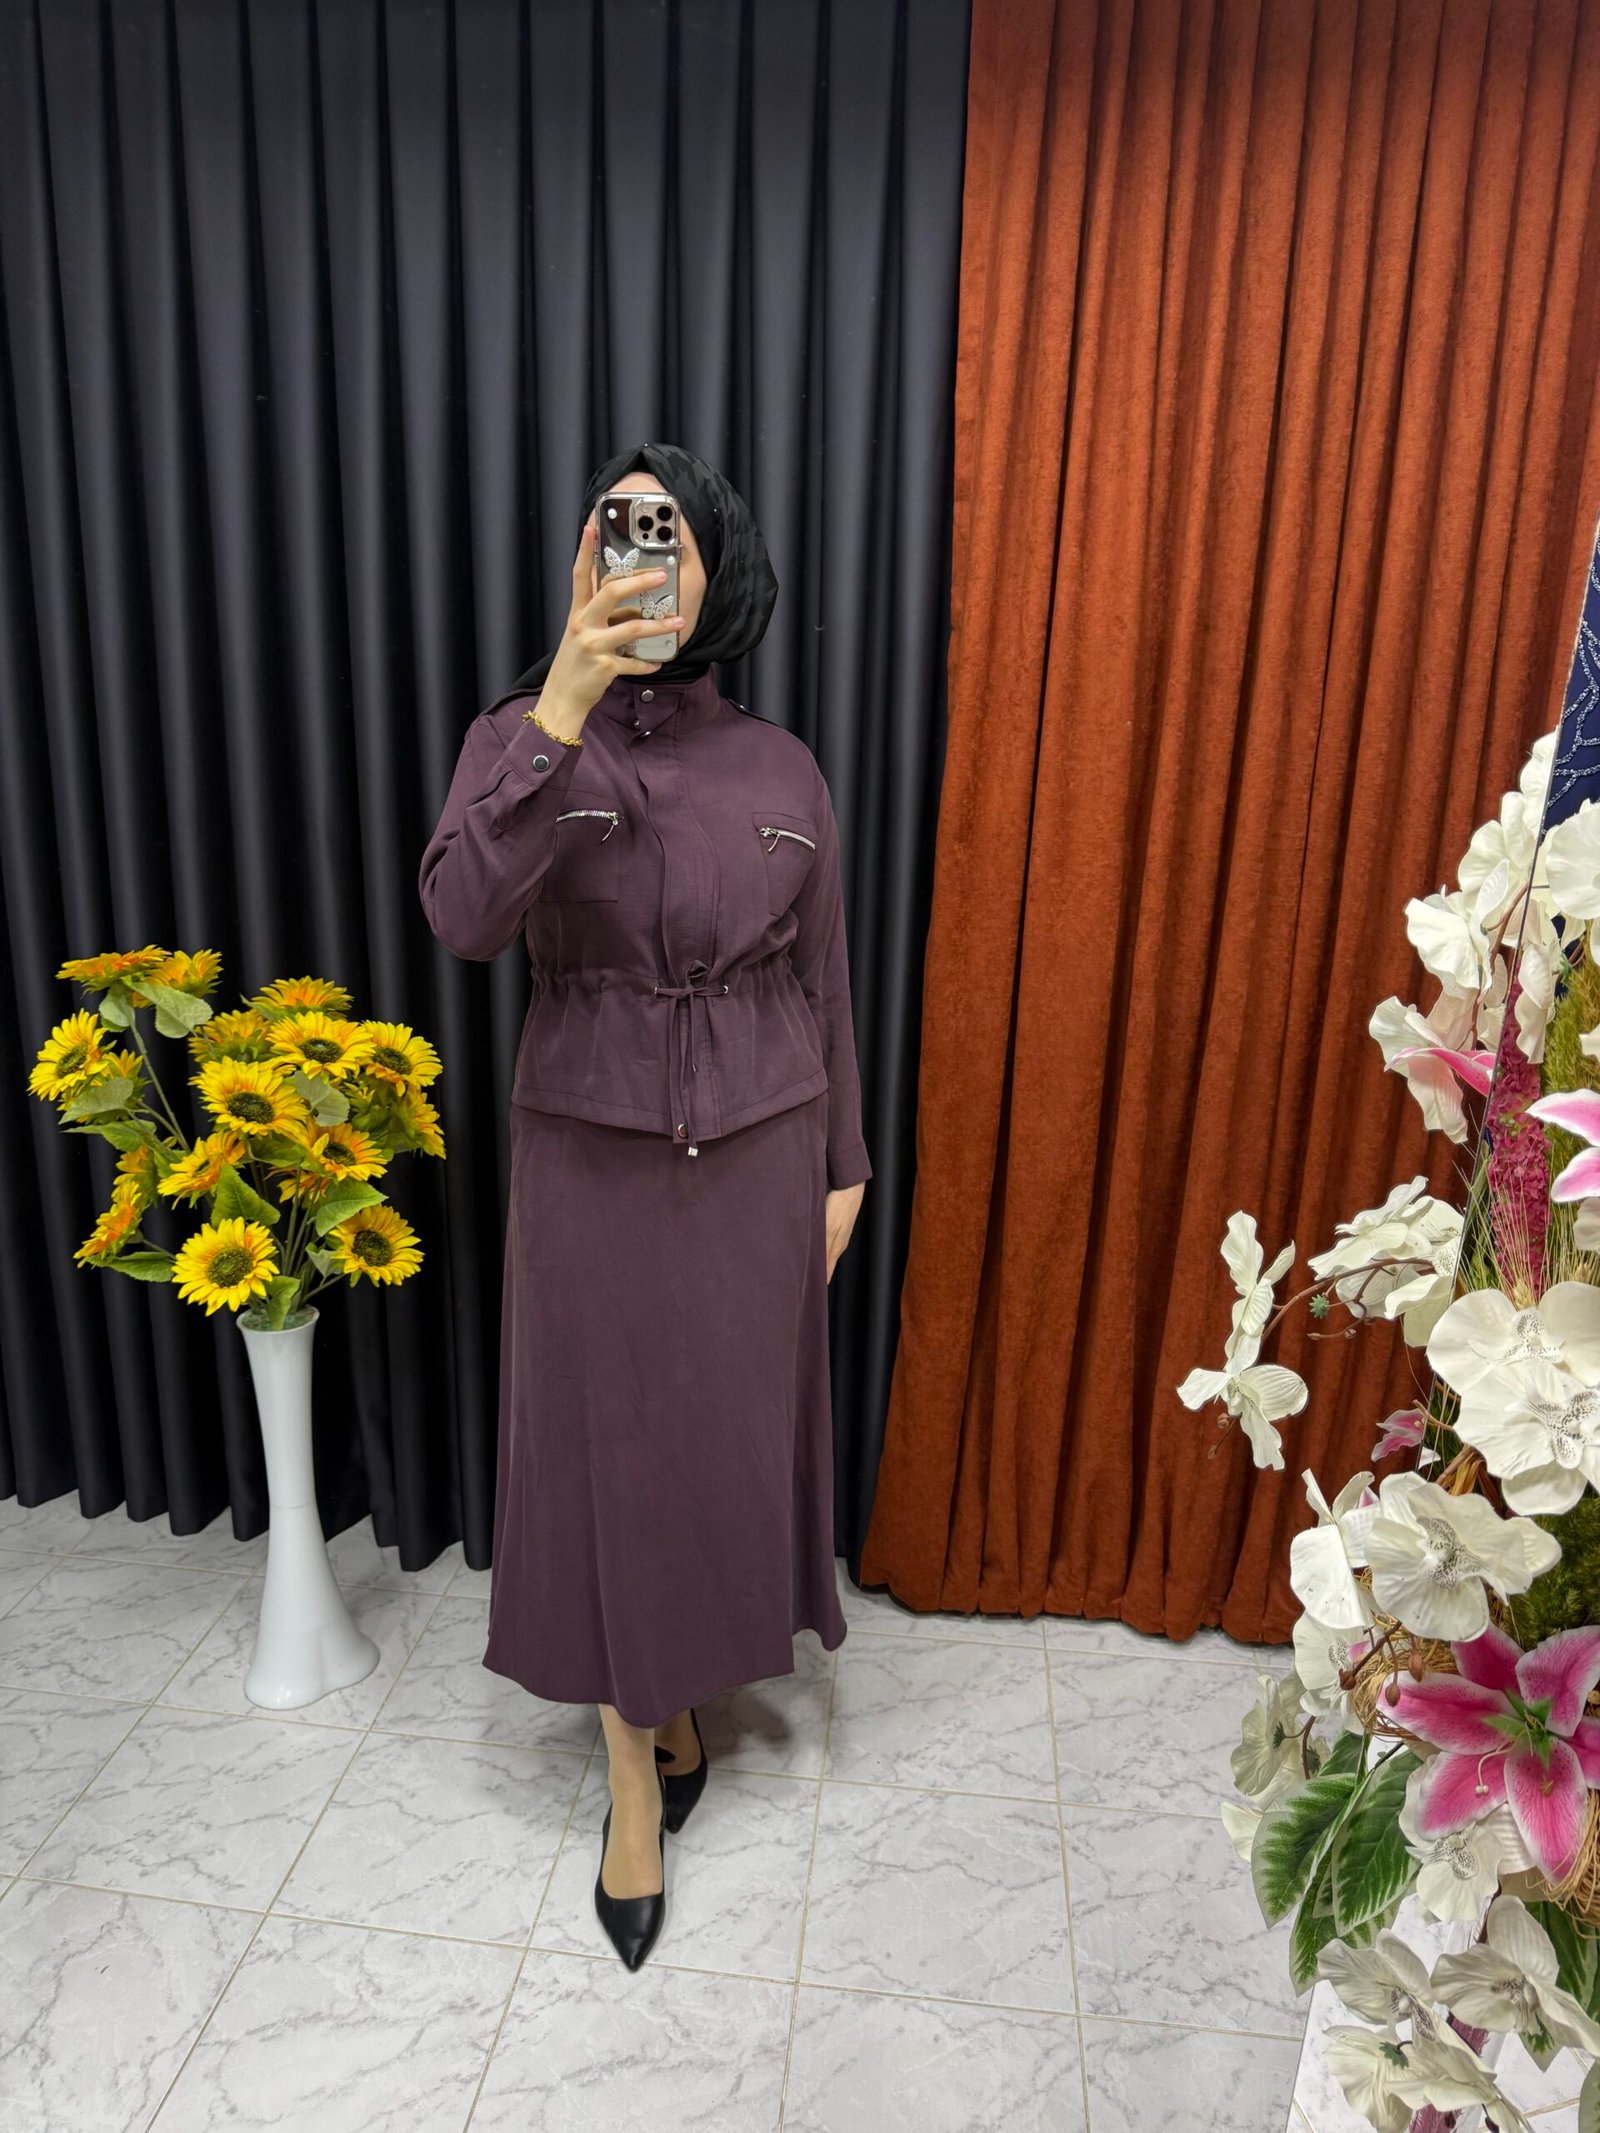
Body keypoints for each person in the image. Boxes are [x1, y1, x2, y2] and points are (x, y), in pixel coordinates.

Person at [417, 441, 871, 1970]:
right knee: (612, 1465)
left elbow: (823, 981)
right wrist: (560, 704)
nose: (641, 556)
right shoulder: (521, 740)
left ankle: (678, 1707)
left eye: (668, 533)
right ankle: (631, 1781)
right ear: (580, 563)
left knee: (714, 1458)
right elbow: (461, 915)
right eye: (616, 530)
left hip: (761, 1156)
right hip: (593, 1165)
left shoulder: (784, 769)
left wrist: (846, 1161)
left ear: (714, 564)